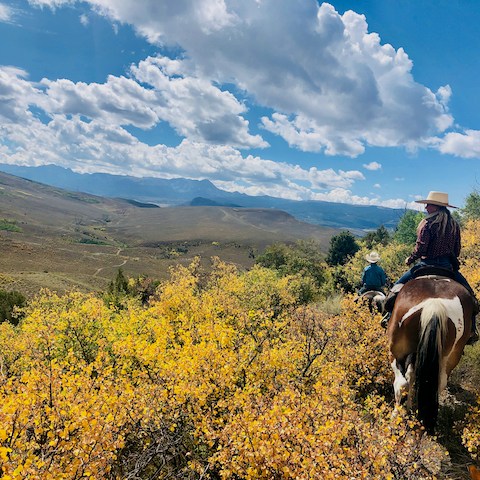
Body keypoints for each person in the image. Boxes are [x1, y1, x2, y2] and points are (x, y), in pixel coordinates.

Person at [382, 191, 479, 344]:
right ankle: (472, 329)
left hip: (426, 265)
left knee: (395, 289)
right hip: (447, 267)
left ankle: (388, 318)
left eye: (429, 204)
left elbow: (421, 248)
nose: (426, 207)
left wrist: (410, 258)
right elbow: (457, 250)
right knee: (470, 297)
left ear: (436, 207)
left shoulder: (427, 224)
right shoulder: (454, 225)